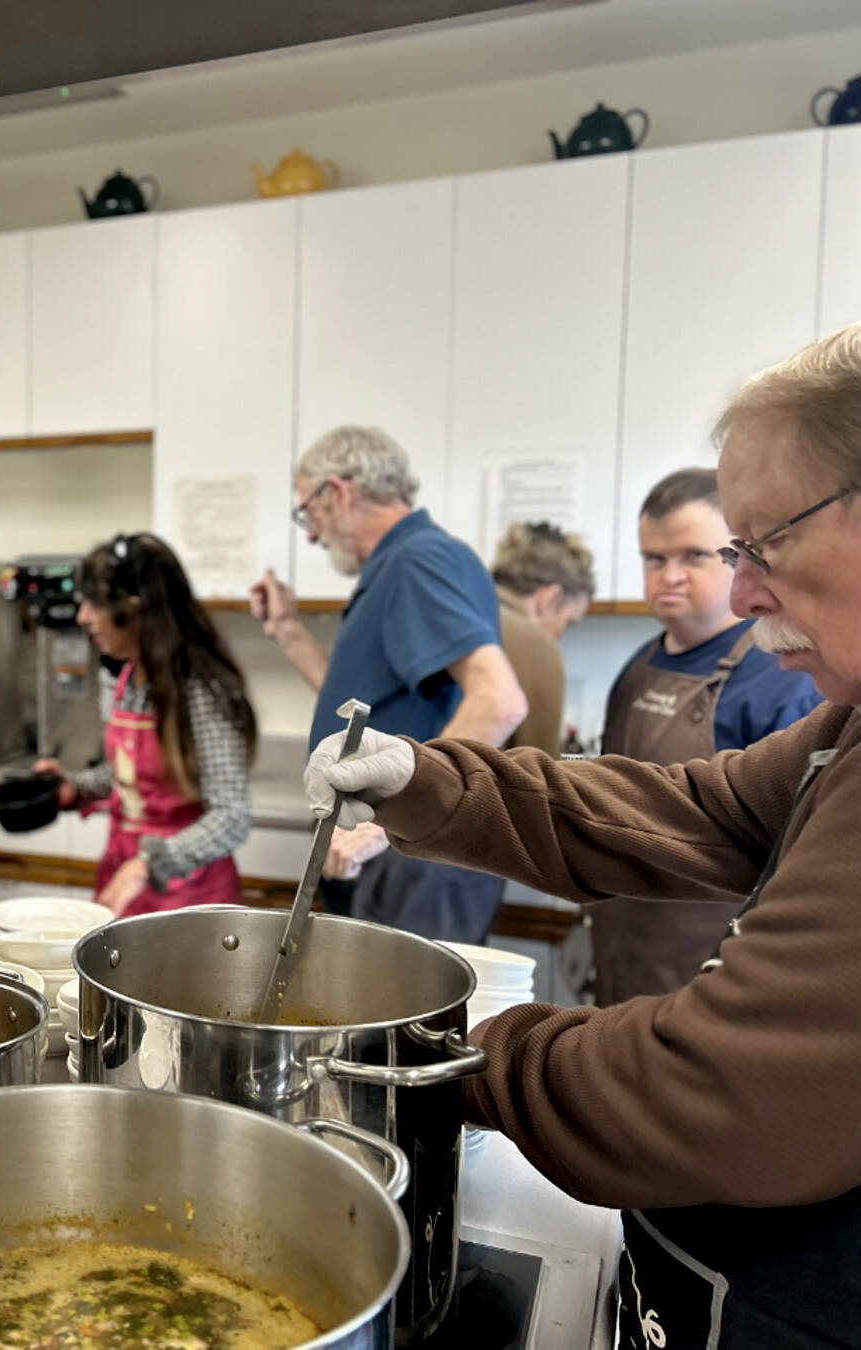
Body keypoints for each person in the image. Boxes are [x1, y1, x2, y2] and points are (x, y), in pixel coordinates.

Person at [301, 323, 861, 1349]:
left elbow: (712, 1090)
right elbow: (698, 809)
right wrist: (426, 779)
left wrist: (441, 1061)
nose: (743, 592)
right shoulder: (849, 725)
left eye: (765, 543)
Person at [249, 425, 526, 941]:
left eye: (309, 512)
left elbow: (499, 700)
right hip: (401, 851)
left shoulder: (418, 561)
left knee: (403, 998)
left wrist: (382, 826)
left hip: (413, 856)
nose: (311, 535)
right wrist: (288, 631)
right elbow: (363, 704)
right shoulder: (405, 563)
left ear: (338, 493)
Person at [587, 467, 822, 1003]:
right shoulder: (636, 668)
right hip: (623, 951)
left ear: (737, 556)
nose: (669, 576)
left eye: (694, 556)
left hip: (718, 979)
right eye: (654, 558)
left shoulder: (783, 675)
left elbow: (797, 863)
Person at [34, 533, 257, 915]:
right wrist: (75, 787)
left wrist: (149, 864)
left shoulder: (202, 690)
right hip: (126, 876)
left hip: (190, 895)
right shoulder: (125, 678)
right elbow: (131, 774)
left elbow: (231, 817)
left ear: (133, 607)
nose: (82, 617)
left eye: (94, 604)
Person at [488, 521, 596, 756]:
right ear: (550, 600)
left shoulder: (452, 611)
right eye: (568, 622)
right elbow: (537, 770)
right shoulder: (535, 647)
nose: (560, 636)